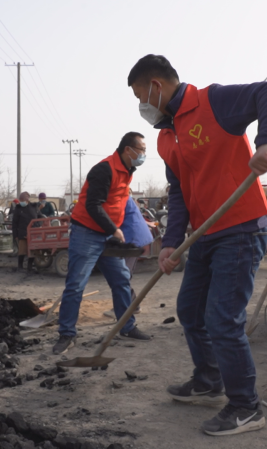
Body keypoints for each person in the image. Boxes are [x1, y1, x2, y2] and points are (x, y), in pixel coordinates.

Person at [128, 54, 267, 436]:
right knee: (190, 310)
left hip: (241, 226)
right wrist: (170, 243)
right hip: (205, 233)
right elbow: (180, 191)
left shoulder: (213, 102)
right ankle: (209, 379)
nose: (141, 105)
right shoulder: (167, 136)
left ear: (157, 85)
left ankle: (246, 407)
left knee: (222, 318)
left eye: (141, 95)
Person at [53, 132, 152, 355]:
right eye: (142, 150)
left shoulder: (128, 171)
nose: (144, 155)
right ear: (129, 150)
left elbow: (118, 204)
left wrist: (123, 229)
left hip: (106, 236)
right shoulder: (104, 169)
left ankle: (126, 326)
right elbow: (93, 205)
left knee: (121, 280)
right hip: (86, 234)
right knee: (76, 284)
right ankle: (67, 334)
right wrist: (114, 229)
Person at [11, 192, 43, 273]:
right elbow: (14, 223)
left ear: (27, 200)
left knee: (32, 250)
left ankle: (30, 266)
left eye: (23, 200)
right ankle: (20, 266)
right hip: (22, 232)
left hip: (33, 233)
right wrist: (15, 234)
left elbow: (40, 217)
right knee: (22, 250)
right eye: (20, 200)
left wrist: (37, 224)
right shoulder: (18, 209)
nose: (21, 202)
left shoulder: (34, 207)